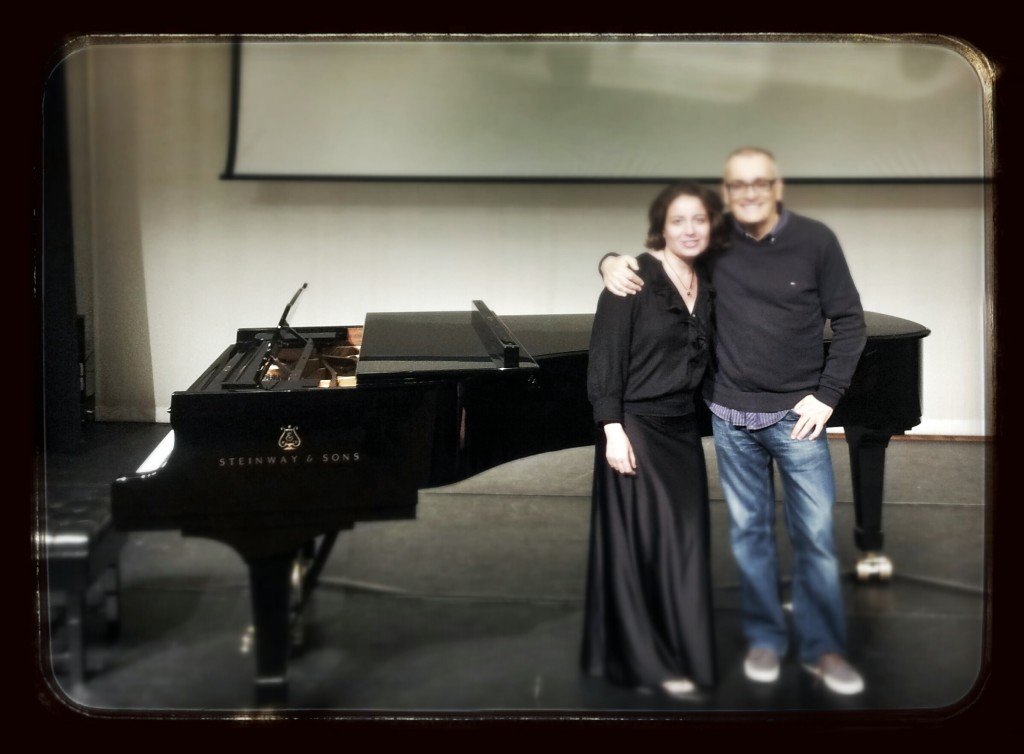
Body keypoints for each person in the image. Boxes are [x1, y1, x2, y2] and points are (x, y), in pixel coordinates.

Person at [599, 148, 867, 695]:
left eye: (758, 183)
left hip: (797, 421)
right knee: (749, 537)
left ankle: (821, 651)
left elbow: (852, 324)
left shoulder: (816, 241)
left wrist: (827, 396)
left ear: (776, 185)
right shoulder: (715, 245)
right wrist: (607, 260)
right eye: (737, 185)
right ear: (727, 191)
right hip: (729, 417)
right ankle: (767, 638)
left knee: (814, 536)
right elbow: (656, 256)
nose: (748, 194)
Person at [581, 183, 726, 699]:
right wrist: (612, 430)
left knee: (684, 543)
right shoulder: (631, 280)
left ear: (711, 226)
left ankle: (680, 651)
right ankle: (646, 662)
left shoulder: (707, 282)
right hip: (636, 427)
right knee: (642, 545)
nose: (689, 229)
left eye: (699, 220)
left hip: (681, 428)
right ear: (661, 227)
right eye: (678, 220)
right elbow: (605, 361)